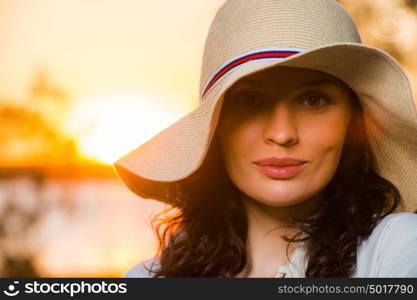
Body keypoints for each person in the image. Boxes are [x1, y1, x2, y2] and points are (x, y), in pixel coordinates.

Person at [113, 0, 417, 277]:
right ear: (214, 125)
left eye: (313, 100)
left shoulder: (399, 249)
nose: (282, 134)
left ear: (353, 120)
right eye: (250, 101)